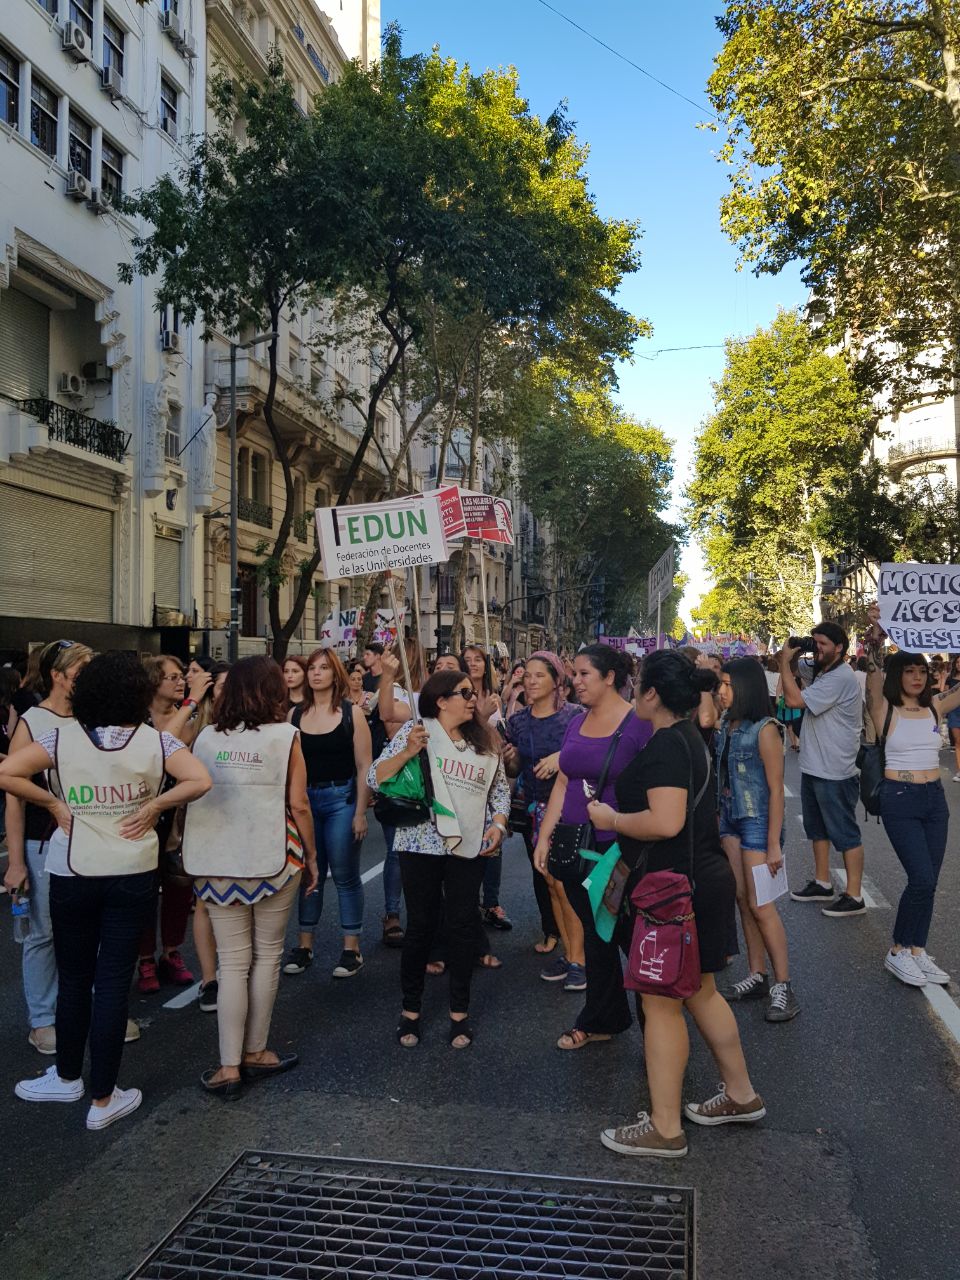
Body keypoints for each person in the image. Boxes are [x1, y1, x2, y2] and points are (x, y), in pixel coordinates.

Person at [0, 652, 211, 1129]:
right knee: (112, 980)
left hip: (72, 872)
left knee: (74, 978)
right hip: (132, 871)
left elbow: (7, 773)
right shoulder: (157, 741)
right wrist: (156, 804)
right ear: (138, 692)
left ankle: (67, 1076)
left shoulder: (60, 737)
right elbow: (200, 780)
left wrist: (53, 803)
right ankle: (103, 1097)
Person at [593, 650, 765, 1158]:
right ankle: (740, 1093)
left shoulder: (669, 743)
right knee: (702, 993)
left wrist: (611, 818)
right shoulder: (691, 737)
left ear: (652, 694)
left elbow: (665, 822)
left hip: (673, 890)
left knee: (661, 1002)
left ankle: (665, 1128)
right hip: (698, 881)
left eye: (638, 685)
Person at [183, 657, 319, 1095]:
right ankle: (256, 1051)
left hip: (216, 861)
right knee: (267, 956)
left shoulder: (204, 737)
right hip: (275, 858)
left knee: (232, 962)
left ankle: (227, 1066)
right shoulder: (287, 736)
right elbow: (299, 805)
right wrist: (313, 857)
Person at [370, 669, 511, 1049]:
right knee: (422, 927)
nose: (471, 698)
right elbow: (375, 777)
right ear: (440, 700)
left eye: (471, 691)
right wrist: (408, 751)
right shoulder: (417, 731)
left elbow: (500, 792)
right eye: (463, 692)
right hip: (420, 843)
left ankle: (459, 1014)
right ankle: (410, 1012)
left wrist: (498, 824)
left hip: (469, 846)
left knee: (463, 924)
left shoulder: (485, 741)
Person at [534, 644, 651, 1043]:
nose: (575, 682)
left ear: (610, 677)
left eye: (584, 674)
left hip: (617, 852)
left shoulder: (639, 725)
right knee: (596, 935)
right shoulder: (576, 723)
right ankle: (602, 1019)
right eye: (575, 674)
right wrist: (546, 833)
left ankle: (657, 1019)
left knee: (623, 934)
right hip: (574, 846)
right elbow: (564, 778)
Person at [3, 640, 94, 1055]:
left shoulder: (94, 715)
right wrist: (16, 861)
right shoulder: (33, 721)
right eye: (80, 668)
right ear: (57, 675)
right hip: (43, 840)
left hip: (91, 839)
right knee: (43, 932)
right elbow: (13, 794)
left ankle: (82, 1009)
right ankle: (42, 1020)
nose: (87, 675)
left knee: (85, 929)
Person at [864, 609, 959, 987]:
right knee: (919, 877)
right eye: (909, 671)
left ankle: (918, 949)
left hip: (935, 799)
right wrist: (875, 632)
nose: (917, 677)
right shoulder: (884, 709)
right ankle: (897, 951)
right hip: (899, 797)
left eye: (922, 671)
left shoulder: (935, 707)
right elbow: (872, 678)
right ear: (897, 675)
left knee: (930, 880)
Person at [715, 659, 798, 1021]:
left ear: (746, 687)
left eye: (728, 685)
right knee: (742, 899)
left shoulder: (766, 729)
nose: (721, 691)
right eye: (720, 684)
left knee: (762, 905)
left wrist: (774, 843)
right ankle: (757, 974)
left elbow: (776, 790)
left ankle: (783, 986)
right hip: (729, 820)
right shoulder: (725, 725)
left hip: (757, 823)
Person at [282, 647, 372, 978]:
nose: (316, 673)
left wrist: (361, 811)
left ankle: (351, 950)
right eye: (312, 668)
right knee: (309, 873)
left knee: (345, 875)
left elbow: (365, 766)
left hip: (342, 800)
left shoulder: (352, 714)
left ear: (335, 674)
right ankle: (304, 946)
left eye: (323, 668)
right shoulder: (293, 716)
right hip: (303, 802)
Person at [136, 655, 214, 991]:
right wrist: (192, 700)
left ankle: (171, 952)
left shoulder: (194, 717)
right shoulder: (137, 719)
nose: (181, 681)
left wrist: (197, 702)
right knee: (143, 890)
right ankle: (145, 960)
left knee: (179, 888)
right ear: (153, 682)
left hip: (180, 815)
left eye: (182, 676)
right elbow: (159, 746)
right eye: (171, 677)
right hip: (144, 813)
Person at [780, 624, 867, 916]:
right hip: (816, 765)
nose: (816, 648)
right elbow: (795, 681)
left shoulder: (841, 676)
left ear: (839, 647)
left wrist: (782, 661)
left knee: (845, 834)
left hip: (836, 770)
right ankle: (822, 882)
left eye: (822, 644)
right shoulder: (823, 671)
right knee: (817, 829)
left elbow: (793, 700)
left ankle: (854, 896)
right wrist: (792, 657)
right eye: (814, 642)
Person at [502, 652, 583, 960]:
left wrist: (561, 759)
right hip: (533, 810)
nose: (531, 681)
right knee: (549, 882)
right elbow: (513, 770)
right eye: (527, 675)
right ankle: (567, 949)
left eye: (539, 675)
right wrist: (510, 760)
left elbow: (592, 755)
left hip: (569, 808)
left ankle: (580, 957)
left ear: (556, 681)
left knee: (564, 884)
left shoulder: (576, 716)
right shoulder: (517, 722)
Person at [943, 654, 960, 782]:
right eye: (958, 662)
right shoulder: (950, 678)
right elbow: (944, 694)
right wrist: (943, 680)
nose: (959, 664)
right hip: (954, 712)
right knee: (958, 742)